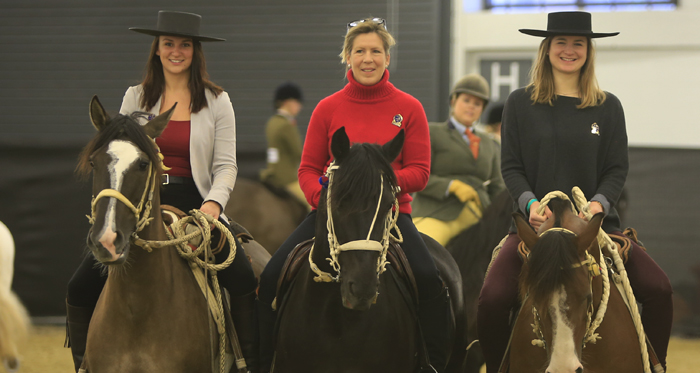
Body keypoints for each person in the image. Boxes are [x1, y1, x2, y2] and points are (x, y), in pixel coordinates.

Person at [477, 11, 673, 373]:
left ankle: (655, 365)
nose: (569, 50)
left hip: (597, 228)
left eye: (578, 43)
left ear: (588, 50)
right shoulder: (520, 103)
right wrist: (529, 203)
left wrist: (598, 202)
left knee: (659, 288)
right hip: (535, 230)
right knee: (492, 297)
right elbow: (512, 167)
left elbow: (616, 169)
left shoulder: (608, 106)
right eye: (561, 43)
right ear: (547, 48)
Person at [65, 11, 259, 372]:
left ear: (195, 51)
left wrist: (214, 205)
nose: (176, 51)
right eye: (168, 43)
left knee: (243, 277)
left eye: (184, 44)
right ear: (157, 49)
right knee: (79, 285)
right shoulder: (135, 97)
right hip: (139, 202)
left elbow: (226, 165)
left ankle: (247, 364)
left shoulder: (218, 101)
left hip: (198, 204)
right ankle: (84, 364)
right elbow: (117, 153)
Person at [256, 17, 450, 373]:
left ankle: (435, 364)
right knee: (271, 276)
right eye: (359, 51)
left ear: (387, 58)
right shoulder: (327, 108)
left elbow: (420, 172)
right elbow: (308, 169)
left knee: (429, 278)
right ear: (347, 56)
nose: (368, 58)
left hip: (390, 217)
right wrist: (324, 199)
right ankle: (259, 363)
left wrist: (378, 186)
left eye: (376, 51)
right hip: (332, 216)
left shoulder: (409, 108)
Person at [412, 73, 505, 246]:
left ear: (482, 110)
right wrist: (451, 186)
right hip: (437, 212)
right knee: (423, 252)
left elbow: (497, 187)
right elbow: (418, 177)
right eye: (466, 100)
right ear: (453, 101)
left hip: (479, 217)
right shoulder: (431, 132)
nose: (471, 107)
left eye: (477, 103)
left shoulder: (489, 143)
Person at [259, 82, 309, 209]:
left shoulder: (272, 122)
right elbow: (298, 152)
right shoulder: (287, 125)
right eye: (298, 103)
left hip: (271, 173)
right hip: (287, 178)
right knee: (315, 202)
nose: (300, 107)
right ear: (288, 102)